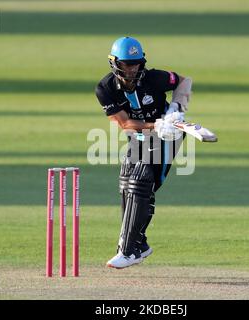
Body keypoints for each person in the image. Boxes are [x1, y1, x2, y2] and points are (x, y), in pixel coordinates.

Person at [95, 36, 192, 269]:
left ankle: (128, 251)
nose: (132, 68)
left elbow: (184, 81)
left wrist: (176, 109)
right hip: (141, 134)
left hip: (170, 136)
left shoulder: (154, 78)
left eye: (136, 63)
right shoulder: (105, 88)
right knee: (127, 181)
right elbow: (125, 123)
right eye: (127, 64)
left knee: (140, 182)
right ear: (114, 63)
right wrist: (155, 125)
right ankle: (139, 244)